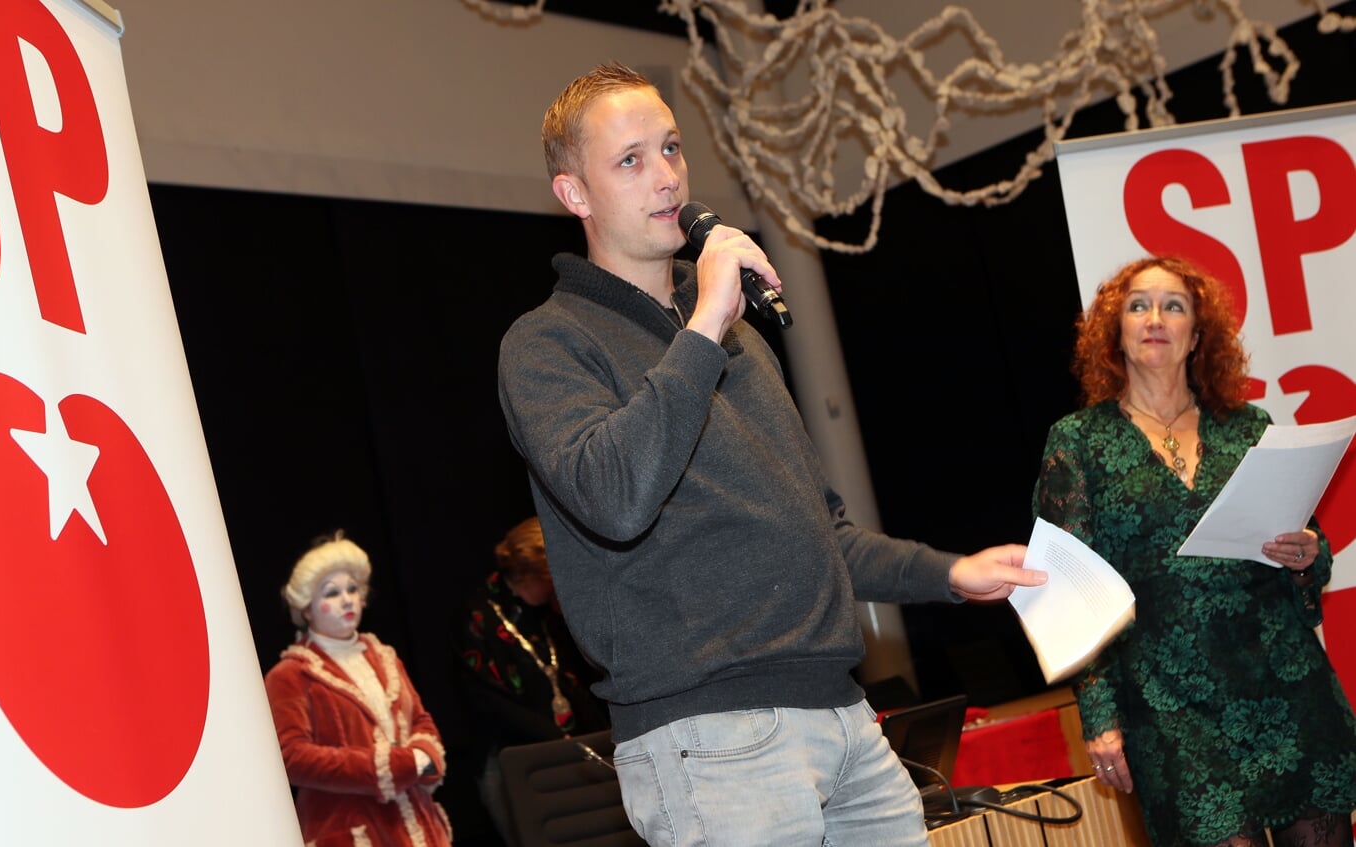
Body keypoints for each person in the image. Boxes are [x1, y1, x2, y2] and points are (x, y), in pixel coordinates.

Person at [495, 61, 1046, 847]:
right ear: (574, 194)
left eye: (672, 148)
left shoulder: (738, 340)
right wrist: (705, 323)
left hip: (843, 713)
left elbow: (817, 530)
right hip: (710, 737)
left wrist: (950, 574)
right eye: (630, 160)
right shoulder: (549, 341)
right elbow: (615, 495)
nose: (665, 177)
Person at [1032, 255, 1356, 847]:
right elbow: (1066, 592)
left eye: (1173, 306)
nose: (1155, 317)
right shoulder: (1077, 442)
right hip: (1168, 703)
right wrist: (1100, 718)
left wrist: (1308, 552)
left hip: (1284, 681)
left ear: (1198, 335)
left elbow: (1313, 552)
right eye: (1138, 305)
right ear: (1116, 332)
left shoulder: (1248, 426)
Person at [264, 532, 454, 847]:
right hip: (349, 826)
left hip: (415, 820)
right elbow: (292, 757)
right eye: (332, 593)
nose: (347, 599)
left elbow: (421, 721)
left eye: (352, 589)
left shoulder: (386, 657)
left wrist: (425, 755)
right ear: (307, 609)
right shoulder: (290, 675)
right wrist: (393, 767)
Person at [454, 516, 610, 840]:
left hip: (570, 754)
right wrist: (556, 739)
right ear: (529, 576)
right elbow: (489, 703)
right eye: (550, 578)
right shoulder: (477, 617)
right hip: (516, 762)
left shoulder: (545, 615)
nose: (556, 585)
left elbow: (570, 681)